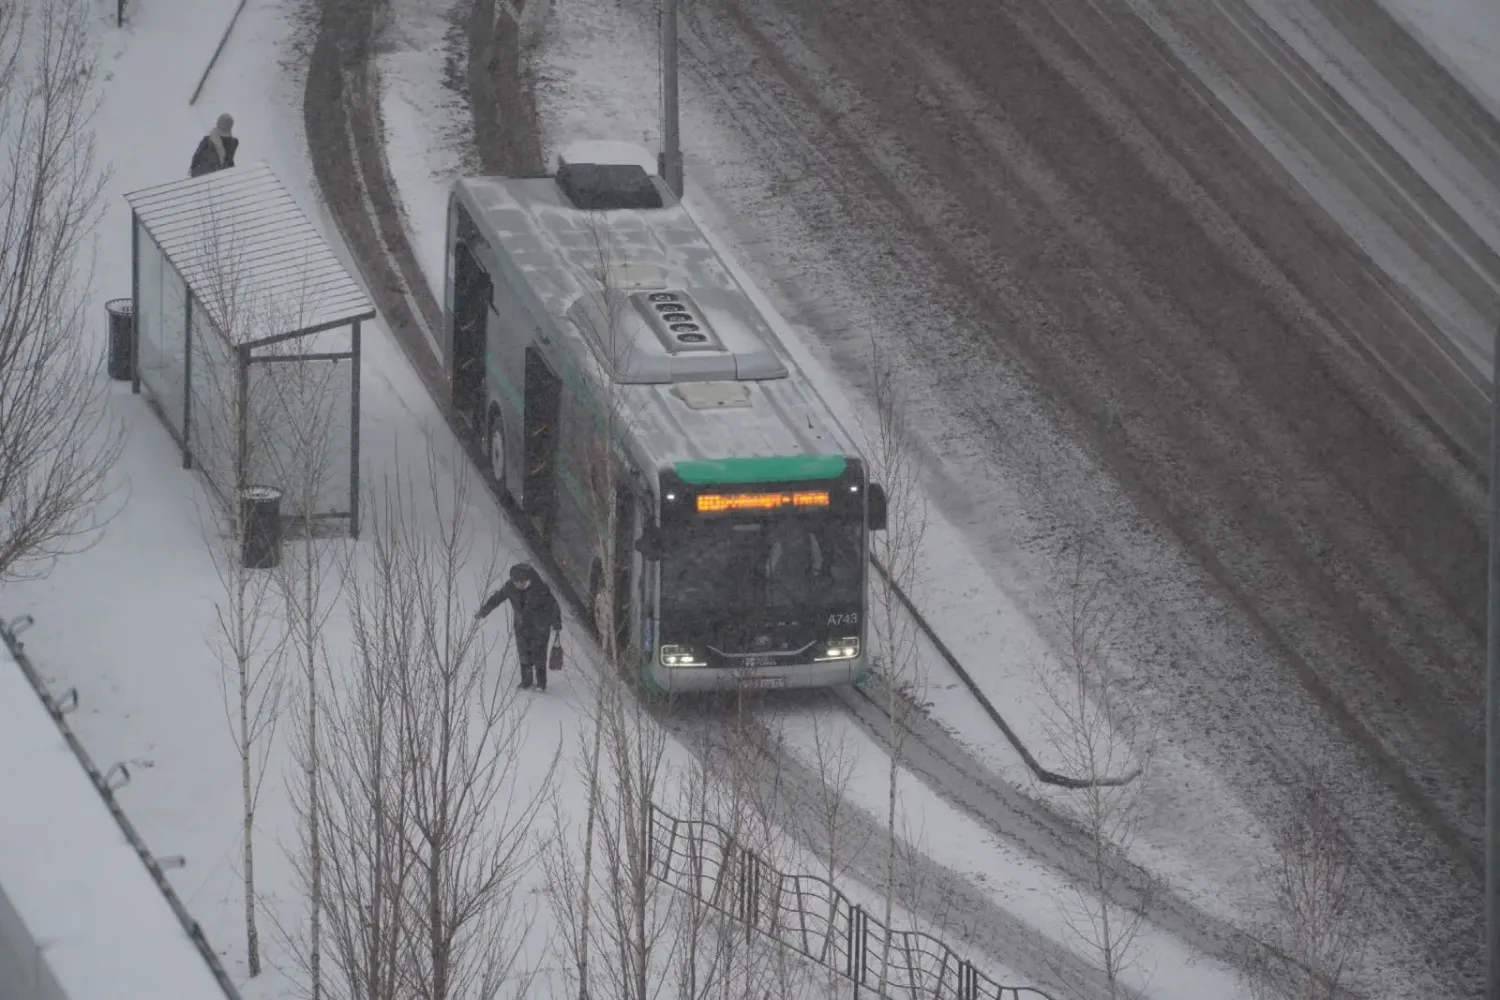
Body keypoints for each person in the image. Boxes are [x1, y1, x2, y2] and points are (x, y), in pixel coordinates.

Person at [474, 562, 562, 691]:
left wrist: (557, 625)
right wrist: (483, 612)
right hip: (521, 625)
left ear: (529, 580)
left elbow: (554, 607)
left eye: (523, 583)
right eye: (517, 583)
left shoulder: (541, 589)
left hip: (540, 626)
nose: (520, 586)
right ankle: (526, 681)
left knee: (539, 655)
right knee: (524, 654)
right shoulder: (510, 587)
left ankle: (541, 684)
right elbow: (496, 599)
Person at [190, 114, 239, 178]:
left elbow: (229, 161)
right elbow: (196, 160)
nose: (227, 125)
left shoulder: (233, 142)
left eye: (229, 123)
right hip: (205, 176)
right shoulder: (207, 140)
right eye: (225, 123)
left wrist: (233, 174)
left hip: (222, 177)